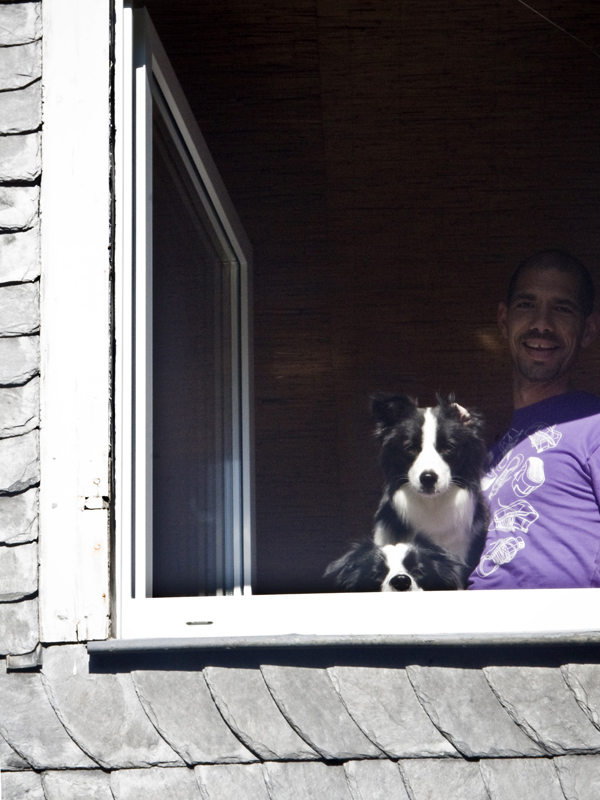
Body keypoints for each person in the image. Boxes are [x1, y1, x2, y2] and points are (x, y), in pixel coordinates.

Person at [468, 249, 600, 589]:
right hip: (475, 635)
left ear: (588, 330)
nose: (542, 324)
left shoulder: (594, 426)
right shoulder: (492, 454)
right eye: (527, 305)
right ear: (503, 320)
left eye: (562, 308)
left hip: (565, 638)